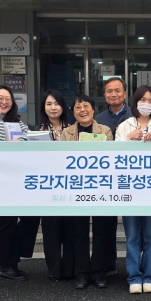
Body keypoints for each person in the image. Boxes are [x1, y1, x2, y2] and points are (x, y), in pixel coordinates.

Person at [0, 86, 37, 281]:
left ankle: (14, 259)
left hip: (19, 180)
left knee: (30, 219)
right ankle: (5, 266)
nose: (4, 102)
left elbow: (30, 140)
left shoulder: (18, 123)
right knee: (6, 222)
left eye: (7, 98)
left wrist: (18, 142)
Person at [115, 85, 151, 293]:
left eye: (150, 100)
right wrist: (128, 139)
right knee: (132, 237)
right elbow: (113, 155)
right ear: (135, 102)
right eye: (142, 100)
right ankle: (134, 277)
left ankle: (149, 276)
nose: (146, 104)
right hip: (130, 188)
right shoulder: (124, 126)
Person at [62, 94, 114, 290]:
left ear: (93, 110)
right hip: (76, 187)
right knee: (79, 232)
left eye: (86, 106)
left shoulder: (105, 130)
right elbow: (61, 159)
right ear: (73, 112)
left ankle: (99, 272)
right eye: (78, 107)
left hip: (100, 187)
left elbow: (111, 157)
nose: (82, 110)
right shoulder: (67, 133)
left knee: (101, 231)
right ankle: (82, 273)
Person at [28, 90, 74, 280]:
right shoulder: (35, 131)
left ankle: (69, 269)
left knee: (70, 229)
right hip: (47, 187)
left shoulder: (73, 129)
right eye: (49, 104)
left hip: (70, 186)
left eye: (56, 103)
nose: (53, 107)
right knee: (50, 230)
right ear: (43, 107)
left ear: (63, 106)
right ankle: (54, 270)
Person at [94, 77, 131, 277]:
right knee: (105, 226)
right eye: (109, 91)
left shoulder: (135, 116)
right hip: (106, 180)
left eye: (117, 90)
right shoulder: (98, 119)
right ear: (104, 95)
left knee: (134, 227)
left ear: (125, 93)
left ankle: (136, 267)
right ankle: (107, 265)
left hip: (132, 179)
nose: (113, 94)